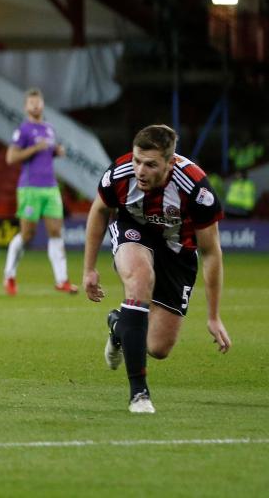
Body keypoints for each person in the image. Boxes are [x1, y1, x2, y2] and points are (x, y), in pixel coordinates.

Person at [83, 125, 230, 414]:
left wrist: (213, 316)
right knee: (140, 280)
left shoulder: (197, 190)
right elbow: (99, 210)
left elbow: (211, 253)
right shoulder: (120, 174)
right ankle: (139, 394)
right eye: (137, 160)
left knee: (159, 348)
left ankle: (118, 326)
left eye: (150, 164)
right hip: (133, 231)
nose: (140, 170)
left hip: (178, 253)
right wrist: (89, 269)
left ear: (170, 162)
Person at [2, 88, 78, 296]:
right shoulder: (23, 130)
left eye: (38, 102)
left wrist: (55, 152)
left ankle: (62, 280)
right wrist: (35, 149)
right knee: (27, 234)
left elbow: (46, 153)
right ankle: (9, 274)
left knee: (56, 231)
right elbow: (11, 157)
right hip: (29, 188)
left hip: (51, 187)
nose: (35, 105)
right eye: (31, 103)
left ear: (43, 104)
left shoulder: (49, 129)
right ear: (26, 107)